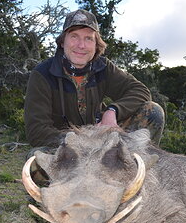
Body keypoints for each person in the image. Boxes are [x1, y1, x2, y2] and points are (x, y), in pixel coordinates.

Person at [24, 9, 165, 166]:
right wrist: (80, 140)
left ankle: (133, 172)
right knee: (35, 163)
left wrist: (113, 111)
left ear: (96, 44)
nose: (81, 45)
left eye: (88, 38)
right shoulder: (42, 74)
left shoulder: (103, 67)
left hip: (103, 142)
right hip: (68, 147)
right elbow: (37, 131)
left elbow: (141, 91)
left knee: (153, 111)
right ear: (63, 41)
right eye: (74, 36)